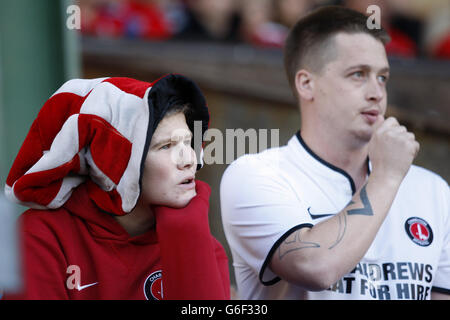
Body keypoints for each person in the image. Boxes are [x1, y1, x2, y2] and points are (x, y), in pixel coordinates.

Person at [220, 6, 449, 300]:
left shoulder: (432, 189)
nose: (376, 93)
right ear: (306, 83)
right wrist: (387, 176)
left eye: (382, 77)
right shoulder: (257, 174)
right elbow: (315, 267)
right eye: (358, 74)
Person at [3, 74, 230, 299]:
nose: (189, 159)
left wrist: (186, 230)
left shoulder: (199, 240)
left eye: (188, 141)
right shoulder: (42, 236)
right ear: (115, 161)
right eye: (166, 146)